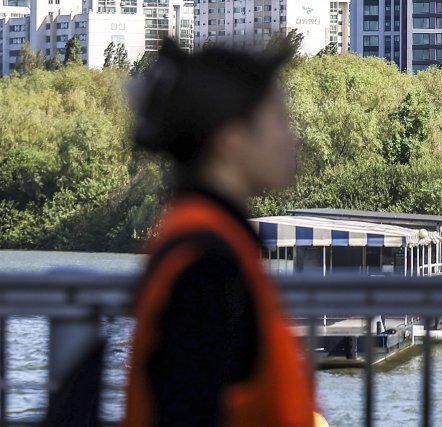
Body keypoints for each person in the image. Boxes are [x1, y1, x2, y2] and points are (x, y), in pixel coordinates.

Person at [122, 38, 317, 427]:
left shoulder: (209, 241)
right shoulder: (207, 267)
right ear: (230, 139)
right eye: (278, 120)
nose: (291, 138)